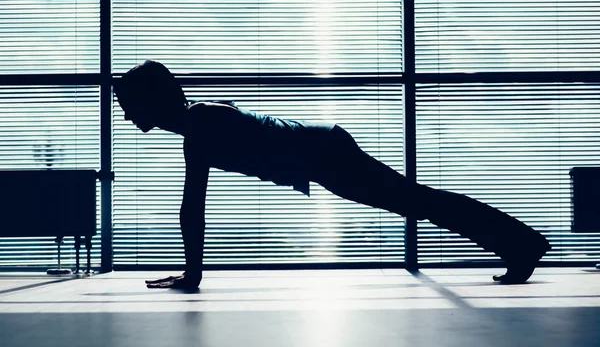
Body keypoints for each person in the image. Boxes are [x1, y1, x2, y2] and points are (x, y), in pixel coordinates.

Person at [114, 60, 551, 290]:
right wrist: (193, 273)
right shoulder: (198, 122)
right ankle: (522, 244)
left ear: (149, 100)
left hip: (325, 154)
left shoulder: (200, 125)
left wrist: (193, 275)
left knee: (419, 202)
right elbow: (193, 209)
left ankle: (523, 244)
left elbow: (191, 210)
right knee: (418, 201)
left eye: (127, 103)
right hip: (322, 156)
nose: (125, 114)